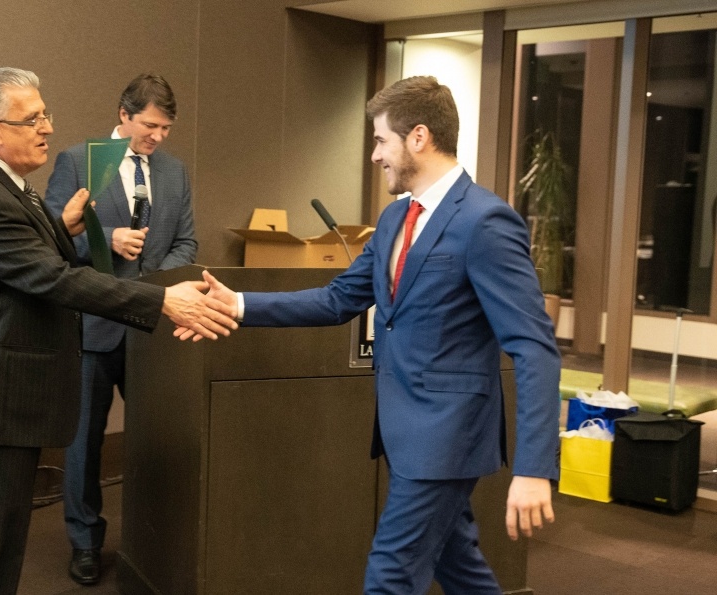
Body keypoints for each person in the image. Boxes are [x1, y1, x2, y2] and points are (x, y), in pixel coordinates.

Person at [179, 76, 561, 594]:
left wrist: (536, 468)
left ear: (419, 138)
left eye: (381, 140)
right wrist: (240, 304)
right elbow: (338, 299)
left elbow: (533, 346)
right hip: (405, 431)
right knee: (459, 565)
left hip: (447, 435)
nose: (376, 155)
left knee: (390, 574)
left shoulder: (485, 221)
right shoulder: (394, 217)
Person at [0, 67, 234, 595]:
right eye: (32, 119)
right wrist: (162, 298)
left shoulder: (7, 185)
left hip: (3, 392)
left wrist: (64, 226)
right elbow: (51, 277)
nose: (47, 127)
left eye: (45, 114)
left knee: (4, 537)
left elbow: (38, 253)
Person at [43, 73, 196, 585]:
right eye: (150, 125)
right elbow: (51, 237)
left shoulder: (174, 172)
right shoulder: (79, 161)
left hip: (153, 326)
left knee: (160, 439)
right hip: (92, 327)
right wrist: (110, 238)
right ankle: (85, 542)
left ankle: (153, 539)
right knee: (84, 444)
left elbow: (187, 244)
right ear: (125, 114)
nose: (158, 136)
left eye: (167, 127)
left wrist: (150, 285)